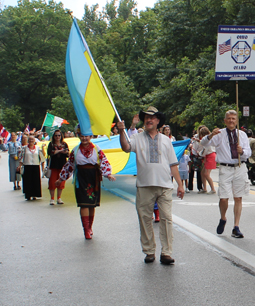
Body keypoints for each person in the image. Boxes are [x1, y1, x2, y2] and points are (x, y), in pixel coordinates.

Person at [118, 106, 184, 264]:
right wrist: (121, 131)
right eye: (146, 117)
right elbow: (125, 147)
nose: (149, 120)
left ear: (158, 121)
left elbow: (173, 164)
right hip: (144, 185)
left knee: (167, 219)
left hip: (165, 186)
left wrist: (180, 185)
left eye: (152, 117)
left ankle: (166, 252)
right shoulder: (137, 138)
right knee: (145, 219)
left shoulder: (166, 140)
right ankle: (149, 251)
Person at [56, 125, 115, 239]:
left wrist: (108, 174)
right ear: (78, 136)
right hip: (81, 178)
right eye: (82, 136)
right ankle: (86, 230)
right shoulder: (75, 150)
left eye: (86, 136)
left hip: (93, 177)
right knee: (83, 204)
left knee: (92, 205)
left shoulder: (96, 149)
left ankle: (90, 227)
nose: (84, 139)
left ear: (91, 136)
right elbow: (70, 165)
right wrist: (61, 178)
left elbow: (104, 161)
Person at [200, 110, 251, 238]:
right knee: (223, 197)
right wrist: (211, 135)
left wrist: (242, 151)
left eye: (233, 118)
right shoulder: (219, 134)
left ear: (236, 120)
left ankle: (236, 227)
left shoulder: (242, 135)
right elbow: (203, 143)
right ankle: (223, 218)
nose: (231, 121)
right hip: (225, 168)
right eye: (229, 118)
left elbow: (248, 152)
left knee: (238, 197)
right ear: (225, 120)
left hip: (239, 167)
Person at [19, 136, 46, 200]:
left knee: (35, 180)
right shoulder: (24, 148)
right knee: (28, 181)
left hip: (35, 165)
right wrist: (19, 166)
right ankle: (28, 195)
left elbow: (42, 156)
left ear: (34, 141)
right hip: (27, 165)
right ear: (28, 140)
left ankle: (35, 194)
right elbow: (21, 157)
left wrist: (43, 148)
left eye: (32, 139)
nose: (31, 141)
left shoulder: (37, 148)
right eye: (30, 139)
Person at [47, 129, 69, 205]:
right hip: (53, 165)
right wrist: (60, 151)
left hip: (62, 166)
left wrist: (62, 151)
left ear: (61, 136)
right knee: (52, 182)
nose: (57, 137)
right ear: (54, 136)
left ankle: (59, 198)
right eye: (56, 135)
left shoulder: (64, 144)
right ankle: (52, 198)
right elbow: (50, 152)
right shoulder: (51, 144)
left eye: (59, 135)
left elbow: (67, 153)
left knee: (61, 182)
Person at [198, 126, 216, 194]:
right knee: (202, 173)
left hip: (210, 156)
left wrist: (200, 154)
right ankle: (204, 188)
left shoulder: (207, 140)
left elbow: (205, 150)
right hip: (208, 156)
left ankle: (213, 189)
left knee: (206, 173)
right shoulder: (210, 138)